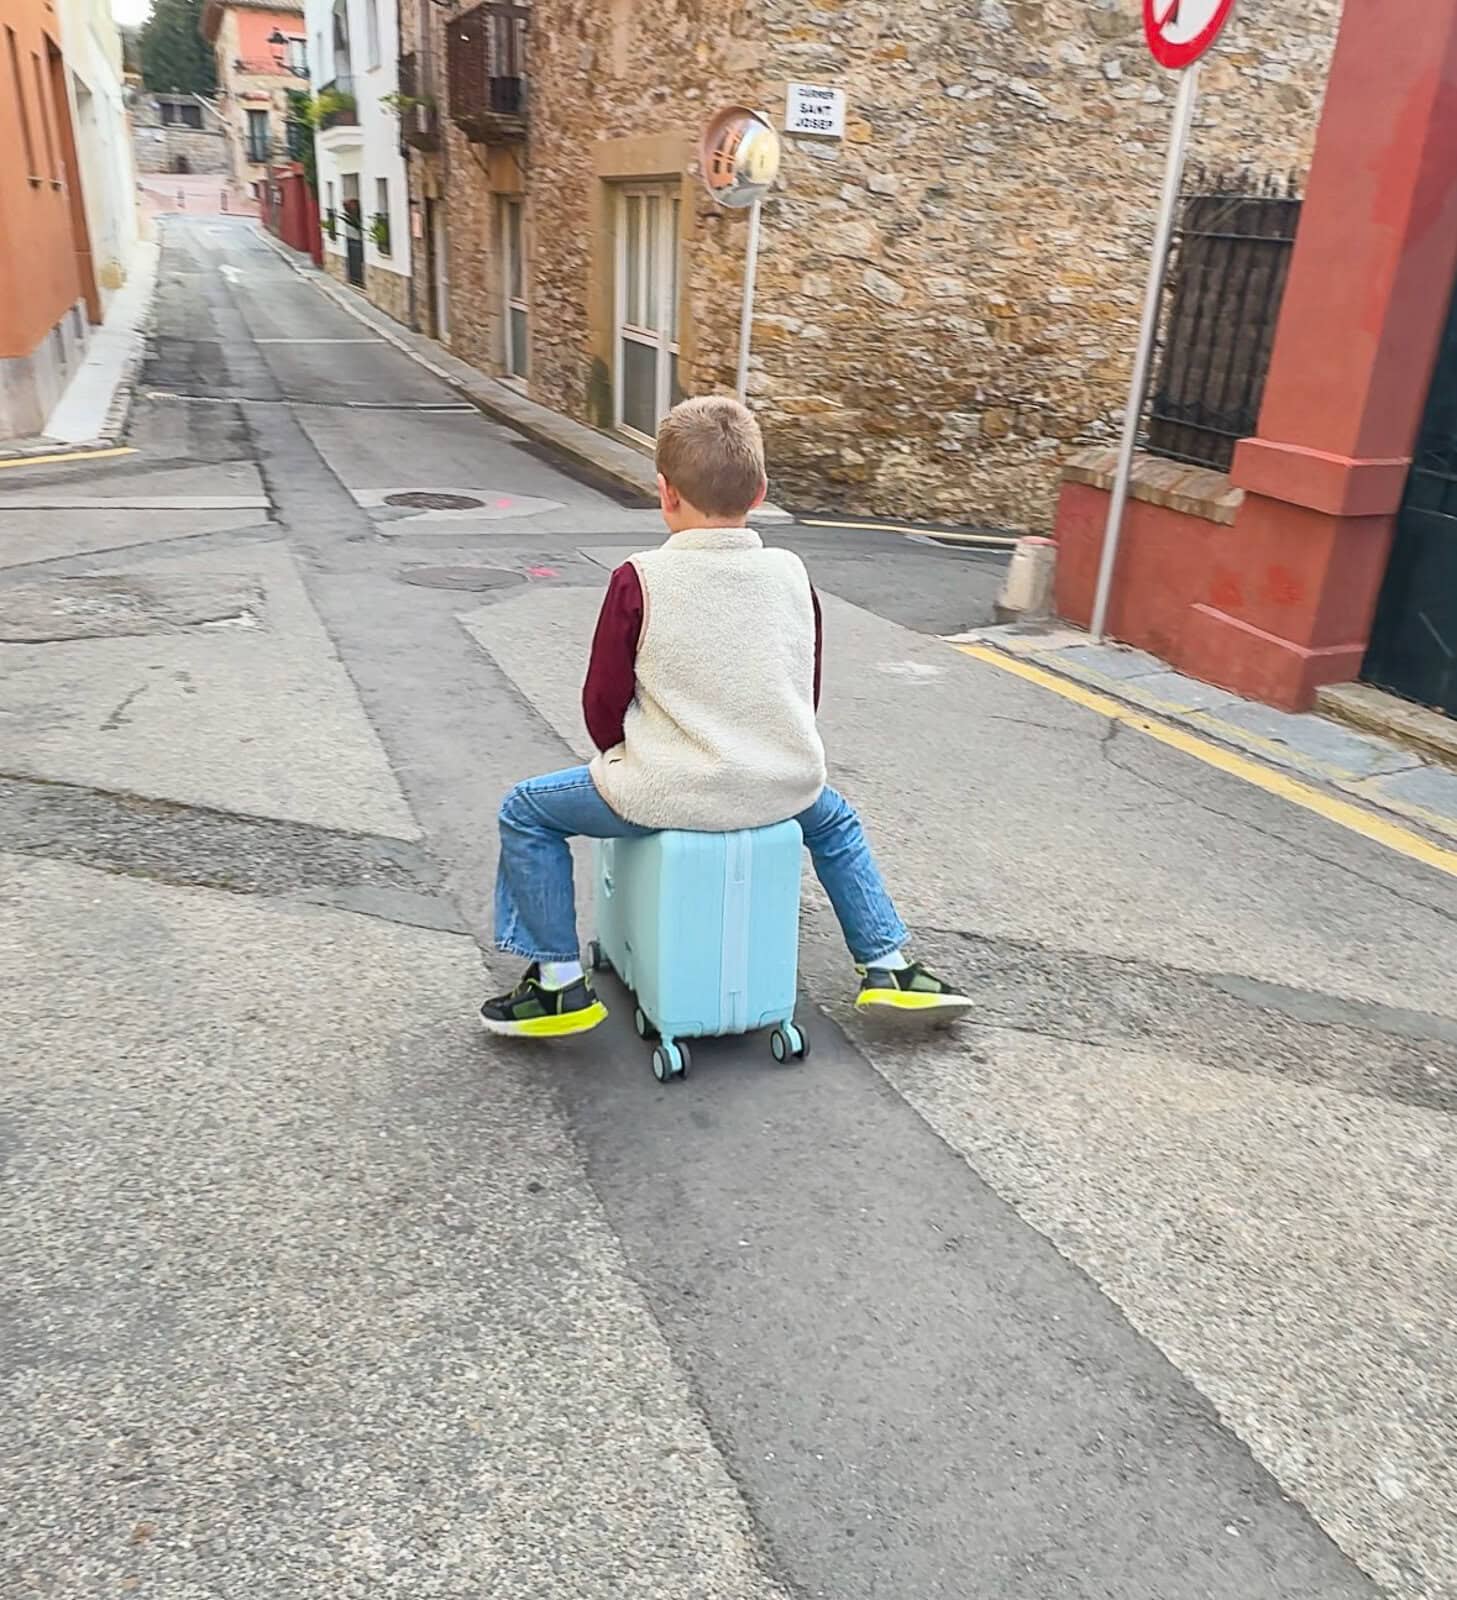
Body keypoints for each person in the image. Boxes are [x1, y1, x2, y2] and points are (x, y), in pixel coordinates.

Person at [481, 395, 971, 1038]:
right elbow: (804, 689)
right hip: (781, 786)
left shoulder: (640, 579)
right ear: (761, 491)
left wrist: (619, 756)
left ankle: (557, 985)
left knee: (527, 810)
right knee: (837, 822)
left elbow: (603, 703)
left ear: (665, 493)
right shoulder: (792, 573)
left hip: (669, 790)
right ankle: (889, 965)